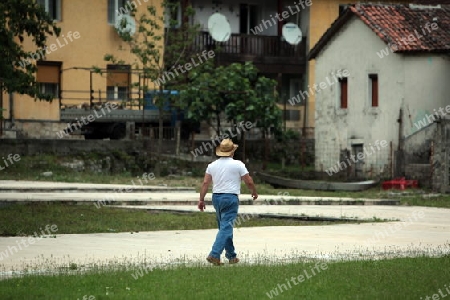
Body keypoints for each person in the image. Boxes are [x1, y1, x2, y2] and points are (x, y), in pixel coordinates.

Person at [198, 138, 258, 265]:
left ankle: (231, 256)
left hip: (216, 198)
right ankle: (214, 254)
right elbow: (248, 181)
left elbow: (205, 183)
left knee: (224, 227)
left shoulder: (212, 166)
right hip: (230, 198)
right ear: (232, 152)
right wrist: (253, 191)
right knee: (226, 227)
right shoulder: (238, 164)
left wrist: (201, 199)